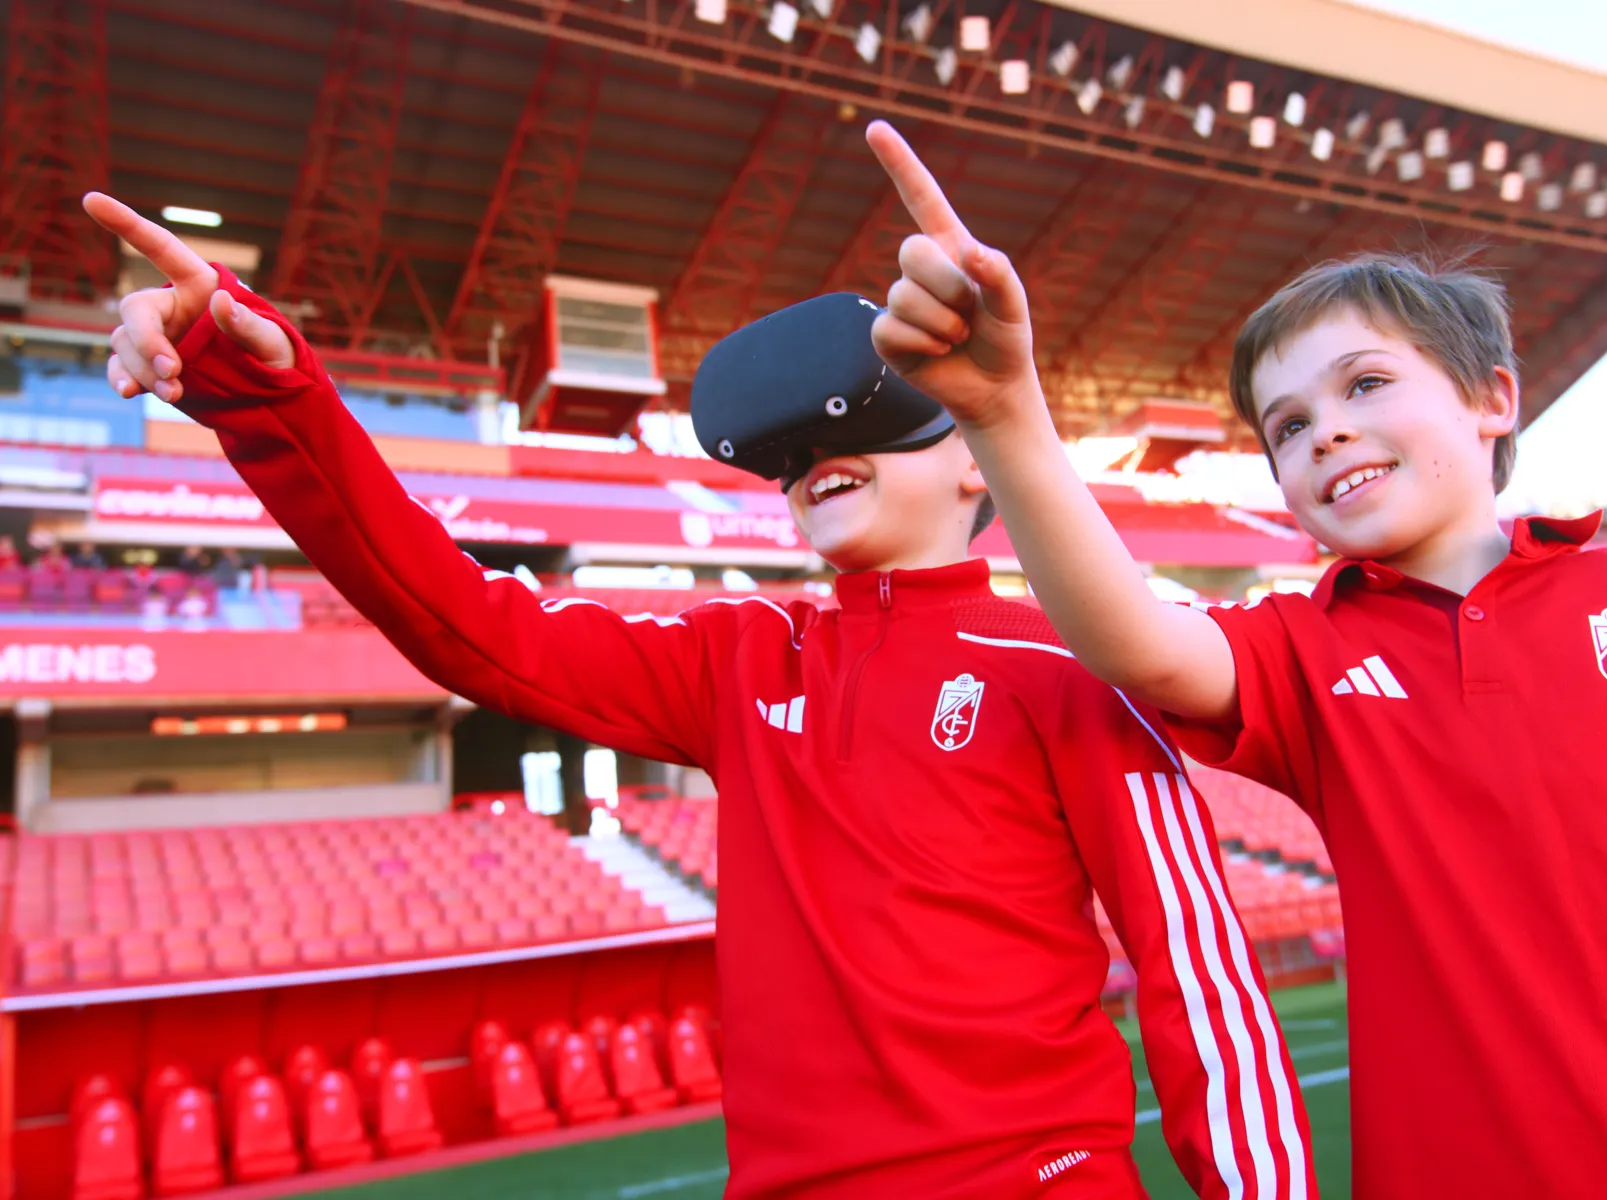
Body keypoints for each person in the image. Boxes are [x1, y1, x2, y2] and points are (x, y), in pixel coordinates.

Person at [86, 193, 1314, 1200]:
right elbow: (467, 624)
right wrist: (274, 400)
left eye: (879, 412)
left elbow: (1200, 981)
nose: (811, 456)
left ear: (974, 460)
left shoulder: (1075, 662)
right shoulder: (742, 659)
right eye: (786, 451)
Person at [861, 121, 1607, 1198]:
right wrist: (1004, 414)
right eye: (1288, 426)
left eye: (1364, 384)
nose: (1325, 434)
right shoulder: (1304, 646)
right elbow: (1133, 643)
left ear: (1493, 399)